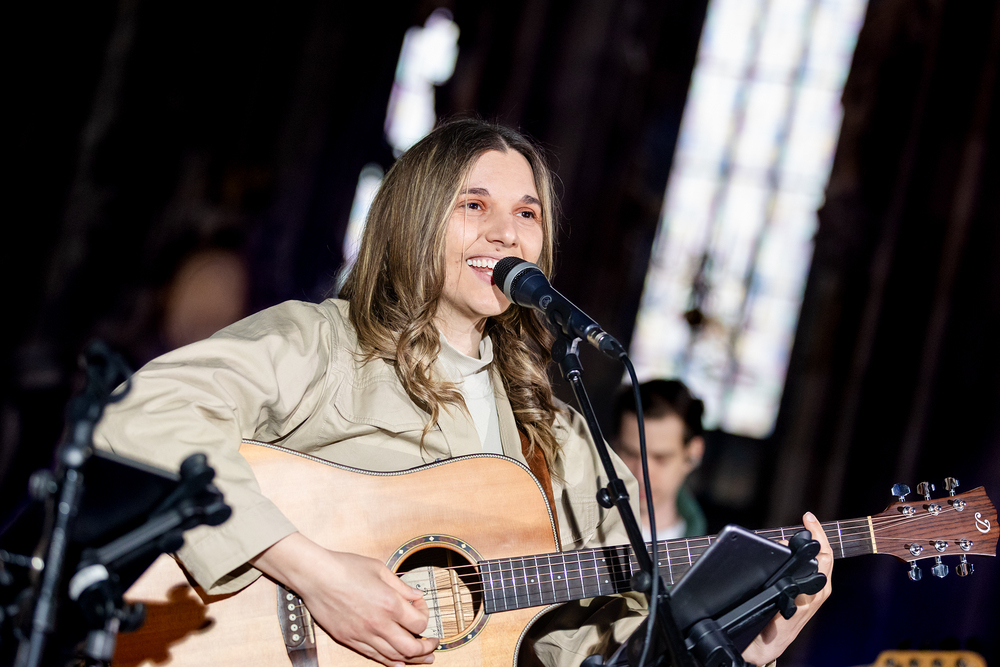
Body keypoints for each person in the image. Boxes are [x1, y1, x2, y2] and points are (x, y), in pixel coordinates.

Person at [94, 118, 832, 667]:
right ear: (416, 219)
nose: (506, 233)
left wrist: (750, 642)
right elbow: (140, 415)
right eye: (474, 205)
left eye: (527, 213)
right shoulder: (324, 344)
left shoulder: (564, 442)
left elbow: (614, 648)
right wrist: (315, 573)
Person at [611, 379, 707, 541]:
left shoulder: (706, 550)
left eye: (660, 458)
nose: (641, 475)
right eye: (630, 454)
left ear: (694, 453)